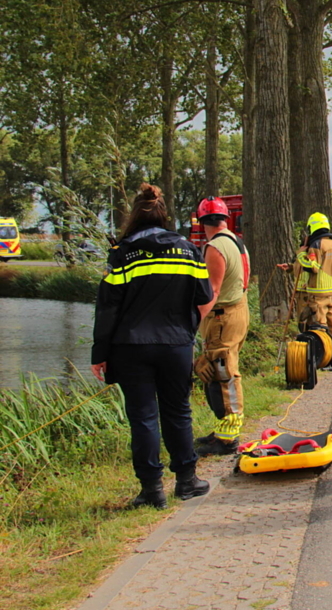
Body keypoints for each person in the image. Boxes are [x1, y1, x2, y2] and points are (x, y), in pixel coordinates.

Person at [91, 184, 213, 509]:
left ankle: (151, 490)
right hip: (176, 345)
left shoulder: (123, 252)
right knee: (178, 412)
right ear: (164, 213)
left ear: (135, 214)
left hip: (131, 346)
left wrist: (99, 354)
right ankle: (187, 482)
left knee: (143, 417)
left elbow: (107, 308)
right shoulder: (187, 249)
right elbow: (204, 296)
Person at [193, 196, 251, 456]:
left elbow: (212, 291)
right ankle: (223, 429)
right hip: (238, 310)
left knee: (223, 373)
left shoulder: (215, 247)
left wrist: (192, 322)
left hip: (221, 317)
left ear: (202, 221)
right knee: (222, 371)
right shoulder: (236, 242)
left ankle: (228, 438)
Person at [277, 213, 332, 370]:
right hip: (331, 292)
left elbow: (312, 267)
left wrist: (300, 254)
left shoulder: (316, 246)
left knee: (320, 326)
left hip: (317, 293)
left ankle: (327, 359)